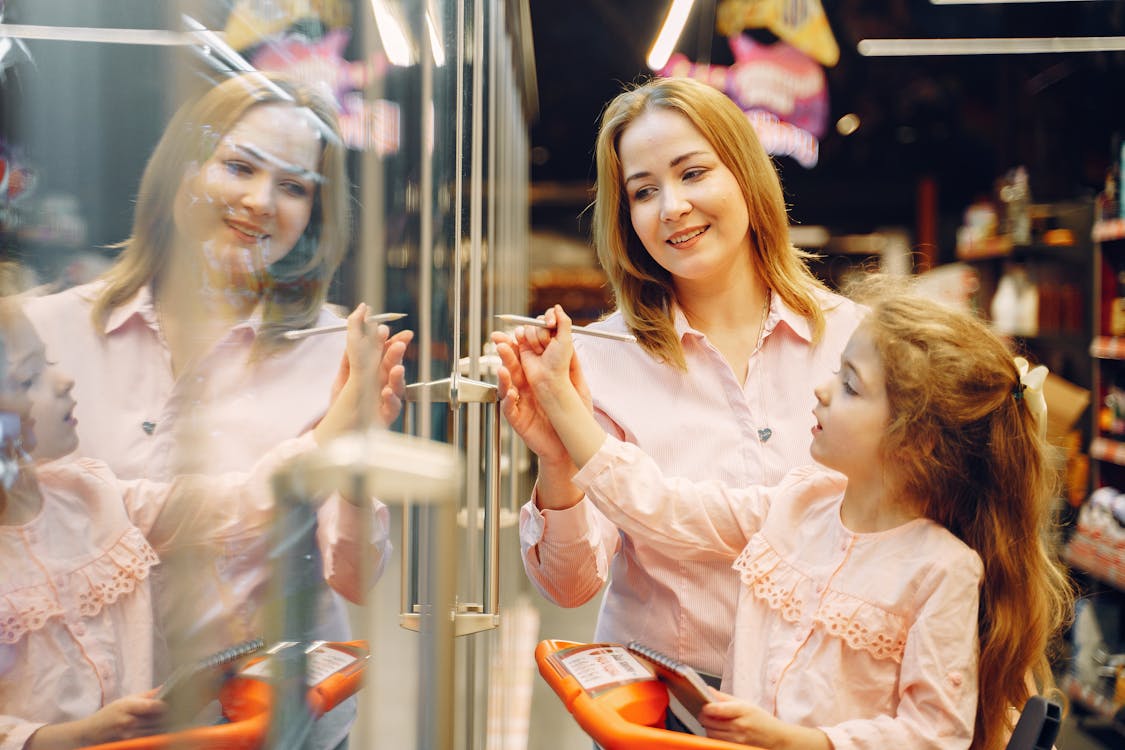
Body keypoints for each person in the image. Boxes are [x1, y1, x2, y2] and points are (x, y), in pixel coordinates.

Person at [21, 72, 410, 748]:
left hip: (269, 723)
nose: (261, 201)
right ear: (181, 172)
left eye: (293, 187)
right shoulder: (40, 336)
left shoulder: (334, 352)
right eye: (239, 166)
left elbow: (354, 573)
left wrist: (352, 455)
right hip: (87, 725)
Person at [498, 292, 1073, 750]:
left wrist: (801, 742)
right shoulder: (801, 500)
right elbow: (664, 507)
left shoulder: (941, 570)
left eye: (849, 385)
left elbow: (933, 735)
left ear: (915, 444)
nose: (821, 390)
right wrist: (558, 399)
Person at [492, 76, 867, 704]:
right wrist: (558, 460)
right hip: (663, 711)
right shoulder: (597, 363)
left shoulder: (853, 344)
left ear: (746, 175)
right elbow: (572, 585)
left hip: (825, 709)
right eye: (643, 191)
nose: (670, 208)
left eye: (693, 174)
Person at [0, 300, 393, 750]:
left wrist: (346, 411)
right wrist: (69, 737)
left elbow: (237, 505)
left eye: (47, 364)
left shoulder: (93, 493)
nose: (65, 379)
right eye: (28, 378)